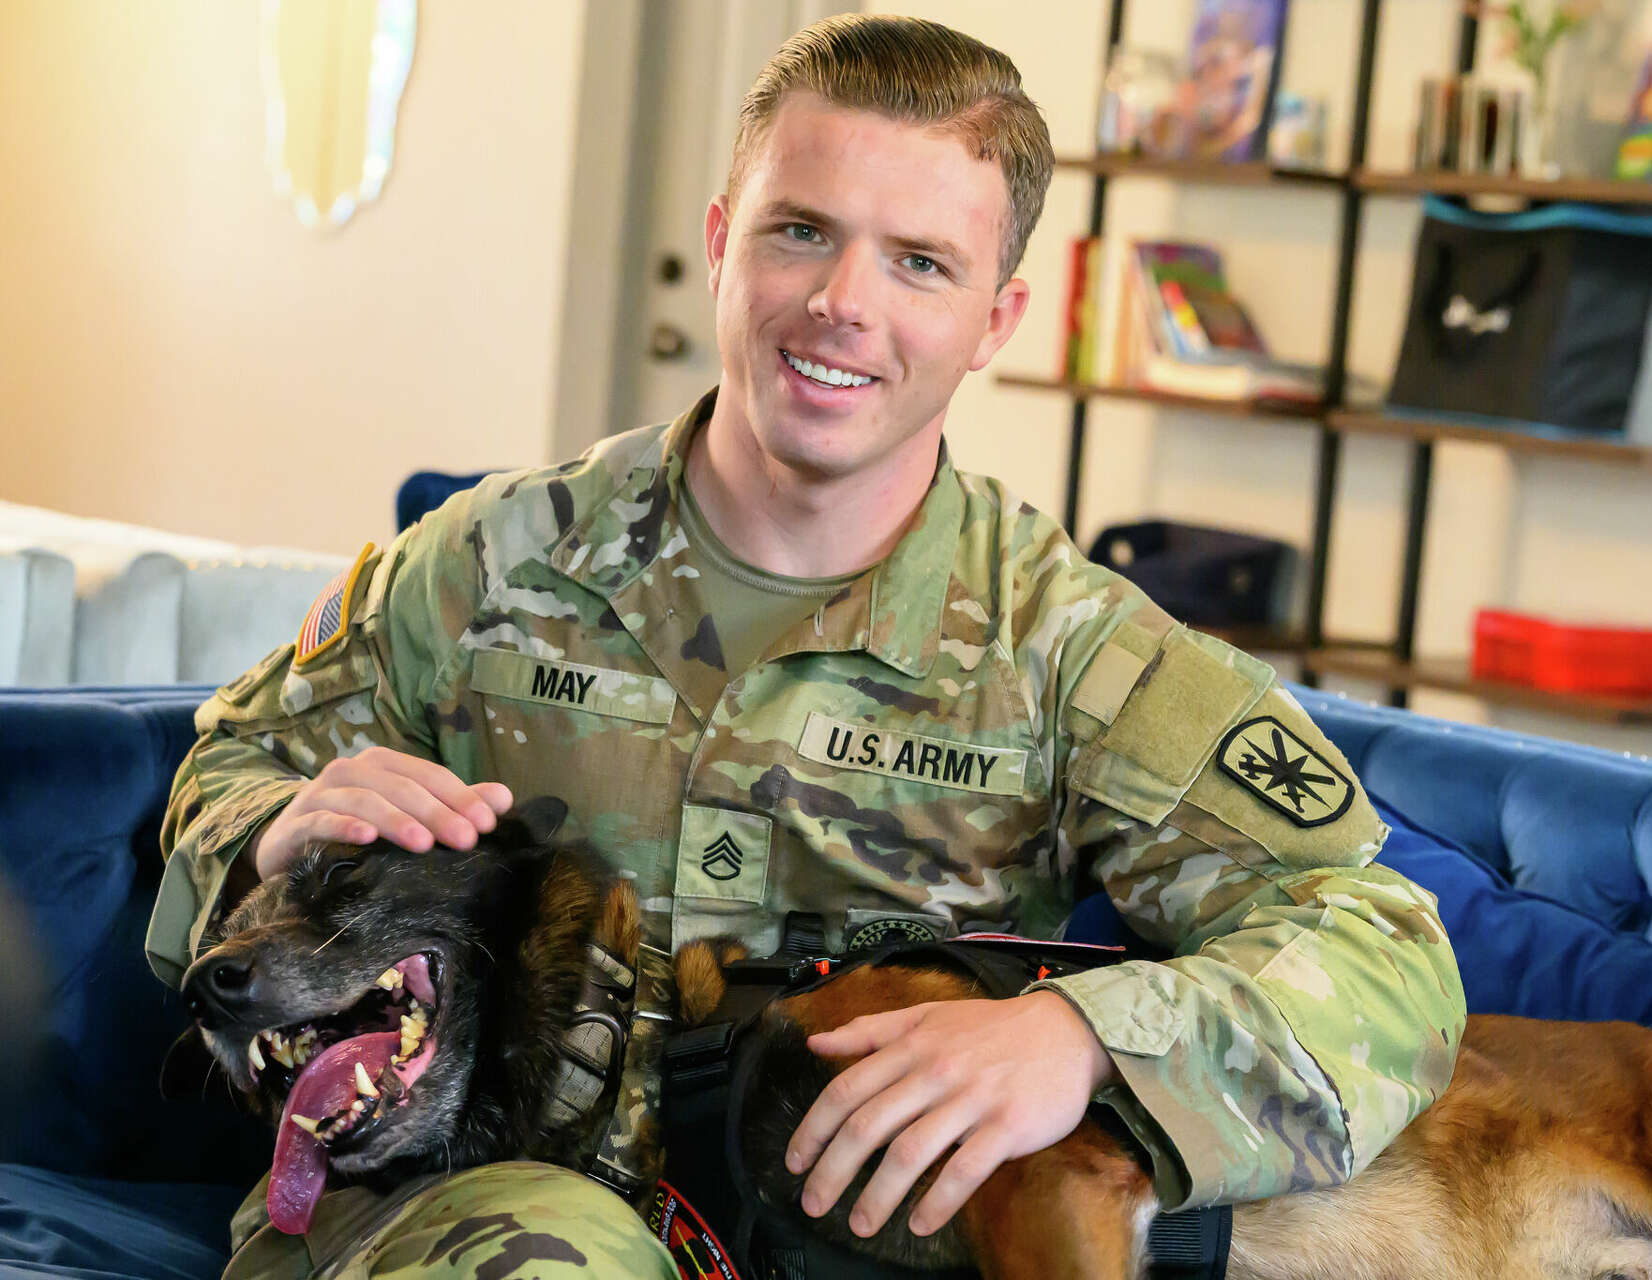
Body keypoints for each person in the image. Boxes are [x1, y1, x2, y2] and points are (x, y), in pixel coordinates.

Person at [148, 15, 1466, 1279]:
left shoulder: (1067, 649)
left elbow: (1378, 940)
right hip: (457, 1208)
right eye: (802, 233)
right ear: (723, 244)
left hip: (834, 1238)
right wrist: (272, 828)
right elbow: (239, 761)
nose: (843, 302)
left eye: (920, 263)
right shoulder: (493, 559)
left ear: (995, 322)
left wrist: (1084, 1040)